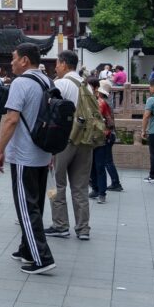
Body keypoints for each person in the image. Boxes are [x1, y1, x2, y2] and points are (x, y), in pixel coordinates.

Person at [0, 42, 56, 275]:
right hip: (43, 152)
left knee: (26, 208)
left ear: (25, 60)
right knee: (35, 204)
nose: (11, 62)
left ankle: (41, 257)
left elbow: (11, 119)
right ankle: (27, 249)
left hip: (24, 155)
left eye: (13, 58)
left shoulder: (20, 83)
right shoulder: (48, 81)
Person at [46, 50, 92, 240]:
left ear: (64, 64)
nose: (56, 67)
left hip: (64, 141)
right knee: (80, 187)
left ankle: (60, 225)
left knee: (55, 184)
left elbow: (49, 111)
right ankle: (83, 229)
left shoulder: (60, 84)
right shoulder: (86, 86)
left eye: (57, 63)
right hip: (85, 140)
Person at [88, 79, 122, 202]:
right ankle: (96, 189)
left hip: (101, 137)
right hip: (93, 137)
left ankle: (101, 192)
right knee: (94, 165)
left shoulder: (101, 103)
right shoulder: (96, 101)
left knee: (99, 165)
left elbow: (104, 120)